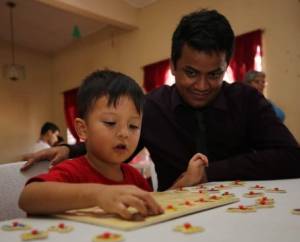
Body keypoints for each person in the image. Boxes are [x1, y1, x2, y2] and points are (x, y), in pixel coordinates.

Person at [22, 9, 300, 191]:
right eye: (191, 72)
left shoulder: (245, 100)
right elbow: (117, 143)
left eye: (214, 74)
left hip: (247, 209)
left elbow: (292, 157)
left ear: (226, 67)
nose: (202, 86)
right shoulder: (152, 107)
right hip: (174, 220)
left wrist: (208, 173)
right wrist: (70, 151)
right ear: (173, 66)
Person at [19, 70, 206, 219]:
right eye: (110, 122)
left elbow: (153, 205)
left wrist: (184, 183)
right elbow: (28, 197)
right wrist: (98, 195)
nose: (124, 133)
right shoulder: (72, 170)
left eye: (133, 126)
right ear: (82, 129)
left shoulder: (133, 176)